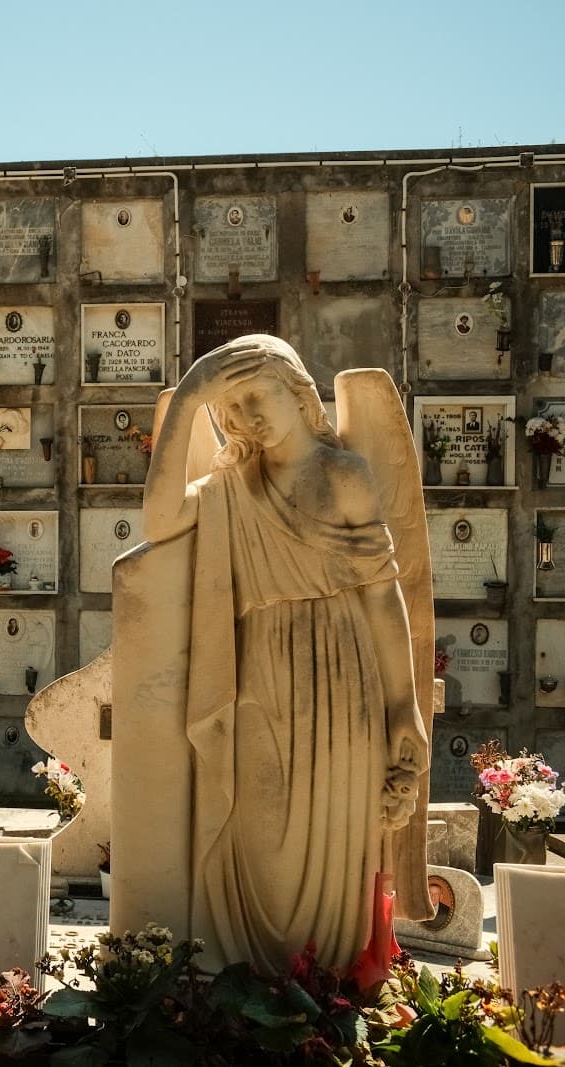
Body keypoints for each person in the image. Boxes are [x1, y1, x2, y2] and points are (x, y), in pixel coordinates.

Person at [143, 334, 428, 973]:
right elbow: (158, 523)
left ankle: (324, 996)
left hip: (342, 672)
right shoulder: (231, 487)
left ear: (298, 390)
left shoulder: (343, 476)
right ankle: (251, 996)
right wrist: (190, 396)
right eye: (230, 408)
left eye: (253, 396)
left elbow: (384, 598)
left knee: (338, 840)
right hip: (258, 675)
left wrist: (403, 705)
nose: (243, 417)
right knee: (261, 838)